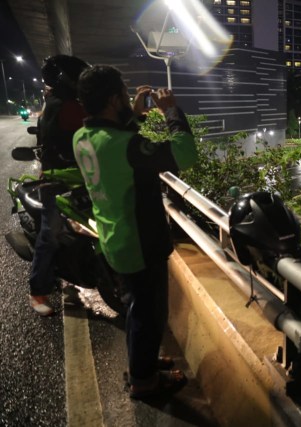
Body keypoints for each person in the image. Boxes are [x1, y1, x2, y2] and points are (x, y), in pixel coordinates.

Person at [73, 65, 198, 399]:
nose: (129, 100)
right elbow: (184, 154)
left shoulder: (82, 138)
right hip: (140, 242)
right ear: (114, 100)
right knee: (149, 314)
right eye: (124, 95)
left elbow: (117, 144)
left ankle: (141, 363)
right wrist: (171, 109)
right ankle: (144, 382)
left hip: (114, 238)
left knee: (134, 308)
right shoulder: (125, 145)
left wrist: (135, 115)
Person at [28, 54, 89, 316]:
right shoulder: (59, 106)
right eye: (78, 77)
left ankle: (77, 273)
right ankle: (37, 291)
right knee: (50, 234)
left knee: (80, 229)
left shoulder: (69, 103)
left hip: (78, 176)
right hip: (57, 179)